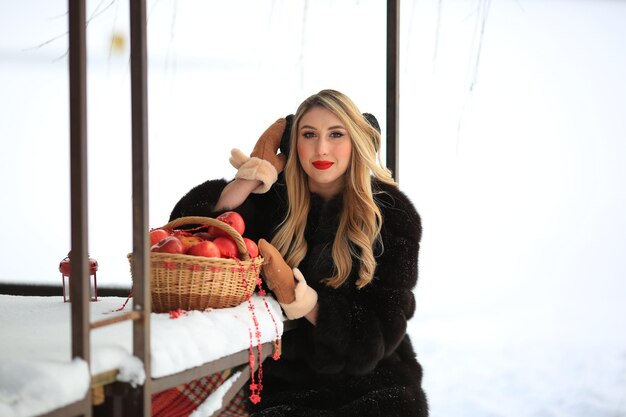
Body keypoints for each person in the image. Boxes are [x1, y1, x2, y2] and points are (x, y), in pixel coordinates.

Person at [169, 89, 429, 416]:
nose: (321, 148)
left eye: (336, 134)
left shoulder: (390, 214)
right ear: (295, 145)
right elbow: (190, 237)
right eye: (309, 135)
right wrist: (248, 179)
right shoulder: (273, 202)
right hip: (286, 387)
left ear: (356, 142)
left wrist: (302, 301)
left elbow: (378, 332)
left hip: (375, 385)